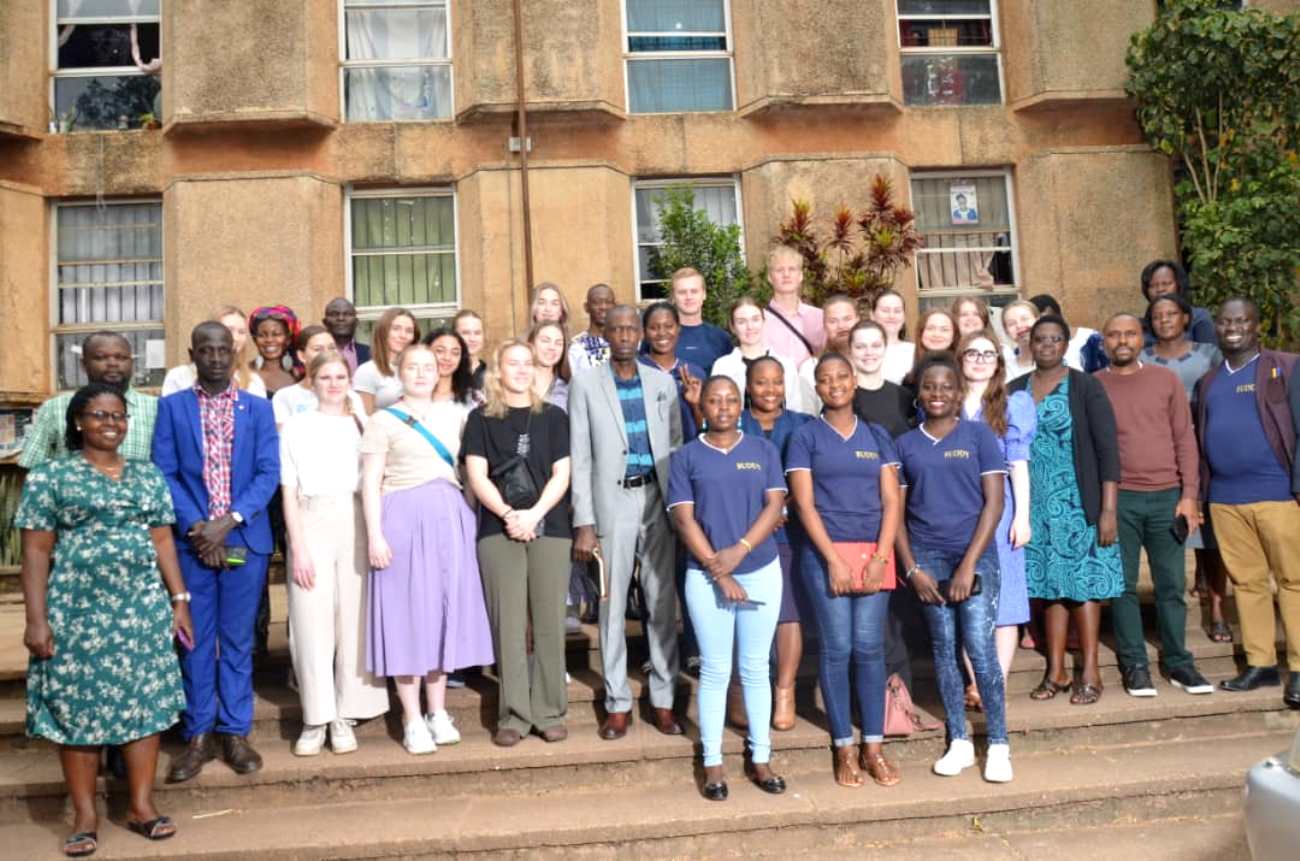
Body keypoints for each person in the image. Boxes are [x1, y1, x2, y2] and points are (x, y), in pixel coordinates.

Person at [17, 383, 192, 856]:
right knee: (77, 710)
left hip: (140, 609)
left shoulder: (146, 474)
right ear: (78, 421)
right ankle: (86, 814)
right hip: (76, 611)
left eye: (117, 416)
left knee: (144, 705)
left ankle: (140, 806)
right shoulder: (50, 476)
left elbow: (161, 541)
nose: (110, 424)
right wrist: (36, 620)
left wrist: (179, 599)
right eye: (98, 415)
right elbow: (34, 552)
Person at [152, 322, 280, 782]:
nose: (215, 357)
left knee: (238, 639)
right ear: (193, 354)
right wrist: (198, 529)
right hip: (193, 544)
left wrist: (229, 522)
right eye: (205, 349)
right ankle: (199, 734)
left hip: (245, 539)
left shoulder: (258, 409)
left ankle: (234, 731)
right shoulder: (171, 409)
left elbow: (268, 473)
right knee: (196, 640)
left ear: (234, 353)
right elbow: (164, 473)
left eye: (222, 349)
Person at [361, 339, 494, 754]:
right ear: (399, 373)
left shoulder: (456, 416)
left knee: (441, 615)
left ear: (440, 372)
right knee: (406, 617)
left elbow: (469, 471)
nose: (421, 373)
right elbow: (369, 482)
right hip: (401, 517)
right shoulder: (383, 420)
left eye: (428, 366)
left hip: (448, 517)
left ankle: (437, 710)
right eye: (412, 366)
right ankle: (412, 717)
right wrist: (374, 535)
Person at [669, 375, 788, 801]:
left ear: (741, 405)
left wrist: (739, 552)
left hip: (760, 567)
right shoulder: (685, 457)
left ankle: (761, 756)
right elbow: (684, 520)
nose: (722, 407)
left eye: (730, 400)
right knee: (717, 670)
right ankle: (713, 761)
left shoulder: (763, 450)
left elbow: (775, 505)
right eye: (714, 400)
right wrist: (720, 573)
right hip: (705, 575)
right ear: (701, 406)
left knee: (756, 668)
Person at [894, 354, 1011, 783]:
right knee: (943, 649)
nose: (937, 394)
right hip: (927, 557)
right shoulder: (905, 444)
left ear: (959, 393)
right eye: (929, 387)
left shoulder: (979, 436)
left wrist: (967, 567)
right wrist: (911, 570)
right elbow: (897, 514)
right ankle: (959, 740)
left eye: (946, 387)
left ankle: (998, 743)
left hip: (974, 557)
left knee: (979, 648)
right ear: (919, 393)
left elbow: (994, 503)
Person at [787, 353, 902, 788]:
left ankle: (873, 746)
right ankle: (844, 747)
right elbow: (804, 503)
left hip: (874, 552)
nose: (834, 384)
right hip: (826, 555)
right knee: (837, 648)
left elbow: (893, 501)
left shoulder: (876, 434)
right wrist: (833, 559)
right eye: (825, 379)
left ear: (854, 382)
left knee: (870, 648)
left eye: (841, 377)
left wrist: (880, 557)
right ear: (816, 387)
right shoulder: (805, 437)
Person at [569, 305, 684, 740]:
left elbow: (674, 443)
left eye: (630, 328)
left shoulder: (661, 383)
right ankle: (617, 702)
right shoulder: (585, 385)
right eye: (615, 329)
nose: (623, 335)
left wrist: (678, 508)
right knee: (611, 603)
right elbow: (580, 455)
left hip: (656, 498)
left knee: (660, 602)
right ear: (607, 334)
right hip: (611, 500)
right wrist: (584, 520)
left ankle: (664, 699)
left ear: (640, 334)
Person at [1095, 314, 1212, 698]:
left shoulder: (1165, 381)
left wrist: (1189, 494)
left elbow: (1185, 438)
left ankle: (1179, 661)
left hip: (1167, 496)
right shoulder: (1094, 387)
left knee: (1171, 585)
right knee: (1123, 586)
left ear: (1140, 339)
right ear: (1104, 342)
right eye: (1114, 335)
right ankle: (1135, 665)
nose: (1122, 340)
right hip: (1119, 499)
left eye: (1130, 333)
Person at [464, 340, 574, 746]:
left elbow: (562, 474)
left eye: (527, 363)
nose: (522, 369)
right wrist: (510, 515)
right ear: (499, 370)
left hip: (551, 526)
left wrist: (534, 514)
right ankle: (513, 715)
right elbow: (477, 475)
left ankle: (548, 710)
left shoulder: (555, 418)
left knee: (548, 623)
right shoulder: (480, 420)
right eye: (513, 363)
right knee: (508, 624)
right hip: (498, 529)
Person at [280, 354, 389, 756]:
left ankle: (345, 712)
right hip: (312, 519)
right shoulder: (296, 426)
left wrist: (362, 415)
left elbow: (378, 475)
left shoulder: (364, 424)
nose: (333, 383)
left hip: (356, 518)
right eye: (324, 376)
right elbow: (288, 491)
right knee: (310, 620)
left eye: (340, 376)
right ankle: (316, 715)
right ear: (312, 381)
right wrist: (298, 546)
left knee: (353, 620)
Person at [1010, 315, 1122, 706]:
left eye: (1055, 339)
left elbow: (1108, 449)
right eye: (1040, 339)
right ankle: (1055, 669)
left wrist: (1108, 510)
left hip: (1079, 503)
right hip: (1033, 506)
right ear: (1030, 344)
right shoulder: (1014, 388)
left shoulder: (1085, 386)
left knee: (1084, 586)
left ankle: (1090, 670)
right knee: (1048, 589)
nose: (1047, 345)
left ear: (1064, 344)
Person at [1193, 298, 1300, 708]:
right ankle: (1261, 664)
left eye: (1241, 320)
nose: (1232, 327)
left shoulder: (1286, 368)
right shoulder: (1210, 380)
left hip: (1279, 496)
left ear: (1257, 325)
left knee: (1293, 582)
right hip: (1226, 499)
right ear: (1215, 327)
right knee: (1248, 584)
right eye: (1225, 321)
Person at [1140, 294, 1227, 642]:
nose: (1165, 320)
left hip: (1204, 451)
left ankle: (1217, 607)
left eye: (1171, 314)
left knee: (1209, 538)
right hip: (1161, 455)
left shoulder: (1209, 355)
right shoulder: (1143, 359)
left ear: (1186, 318)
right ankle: (1169, 613)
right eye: (1157, 316)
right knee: (1168, 534)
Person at [739, 356, 813, 734]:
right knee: (749, 613)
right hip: (742, 531)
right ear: (747, 386)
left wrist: (785, 504)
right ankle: (751, 688)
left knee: (787, 613)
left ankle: (785, 690)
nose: (770, 390)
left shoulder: (802, 424)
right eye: (761, 383)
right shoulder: (735, 422)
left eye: (776, 382)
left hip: (790, 531)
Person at [958, 331, 1035, 691]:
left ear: (998, 363)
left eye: (988, 354)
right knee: (968, 596)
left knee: (1004, 600)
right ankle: (976, 682)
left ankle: (997, 682)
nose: (979, 359)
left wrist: (1023, 516)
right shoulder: (947, 400)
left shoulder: (1012, 404)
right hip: (957, 509)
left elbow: (1018, 464)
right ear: (960, 359)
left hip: (1001, 509)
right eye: (972, 353)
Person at [20, 332, 158, 468]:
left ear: (131, 363)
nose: (112, 364)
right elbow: (32, 464)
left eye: (121, 357)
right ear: (83, 364)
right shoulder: (55, 407)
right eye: (100, 358)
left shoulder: (154, 408)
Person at [713, 297, 803, 413]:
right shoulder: (723, 367)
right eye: (741, 322)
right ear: (733, 327)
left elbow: (796, 409)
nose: (750, 327)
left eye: (755, 319)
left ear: (764, 322)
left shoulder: (786, 364)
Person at [162, 305, 267, 398]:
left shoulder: (254, 382)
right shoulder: (179, 376)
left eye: (242, 332)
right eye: (229, 330)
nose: (235, 338)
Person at [271, 325, 364, 429]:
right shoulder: (285, 396)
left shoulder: (351, 396)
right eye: (318, 349)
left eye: (332, 348)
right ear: (301, 355)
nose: (326, 353)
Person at [639, 301, 705, 442]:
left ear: (678, 328)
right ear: (644, 332)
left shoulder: (695, 373)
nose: (662, 333)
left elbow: (705, 429)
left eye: (669, 326)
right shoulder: (635, 371)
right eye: (654, 328)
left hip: (687, 456)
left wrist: (695, 404)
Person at [849, 321, 914, 439]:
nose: (869, 352)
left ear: (885, 348)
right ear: (850, 350)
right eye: (860, 347)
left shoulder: (903, 395)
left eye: (876, 346)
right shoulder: (842, 399)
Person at [763, 245, 824, 367]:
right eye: (779, 270)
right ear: (770, 277)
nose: (786, 274)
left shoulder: (819, 316)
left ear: (800, 276)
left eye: (792, 269)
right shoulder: (759, 319)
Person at [798, 294, 860, 411]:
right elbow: (807, 416)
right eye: (833, 321)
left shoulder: (874, 361)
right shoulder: (810, 368)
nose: (841, 326)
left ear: (858, 319)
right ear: (824, 326)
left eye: (847, 319)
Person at [663, 268, 733, 373]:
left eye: (694, 291)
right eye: (682, 292)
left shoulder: (721, 338)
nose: (689, 297)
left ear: (704, 294)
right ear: (673, 297)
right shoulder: (660, 338)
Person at [354, 307, 420, 415]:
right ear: (383, 331)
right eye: (396, 328)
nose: (403, 335)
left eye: (409, 331)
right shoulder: (367, 371)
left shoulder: (417, 370)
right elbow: (365, 421)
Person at [1139, 259, 1215, 345]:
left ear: (1179, 285)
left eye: (1166, 284)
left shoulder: (1198, 317)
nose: (1160, 289)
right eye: (1152, 286)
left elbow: (1209, 353)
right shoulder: (1139, 325)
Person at [1029, 294, 1107, 373]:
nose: (1044, 325)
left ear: (1058, 315)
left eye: (1046, 319)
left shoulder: (1091, 339)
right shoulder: (1030, 348)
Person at [249, 305, 301, 396]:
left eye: (276, 334)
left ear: (288, 340)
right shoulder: (244, 373)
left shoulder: (299, 374)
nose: (269, 340)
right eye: (262, 335)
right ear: (254, 340)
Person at [903, 308, 959, 386]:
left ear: (954, 336)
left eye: (944, 330)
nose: (936, 334)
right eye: (930, 328)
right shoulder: (908, 369)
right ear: (921, 333)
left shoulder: (964, 371)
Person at [569, 283, 615, 372]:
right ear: (586, 307)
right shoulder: (576, 345)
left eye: (608, 302)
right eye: (597, 302)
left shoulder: (624, 341)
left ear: (615, 306)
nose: (603, 307)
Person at [873, 289, 914, 385]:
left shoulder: (915, 351)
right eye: (885, 310)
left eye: (897, 311)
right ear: (873, 315)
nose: (891, 316)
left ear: (904, 317)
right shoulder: (861, 351)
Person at [528, 321, 571, 410]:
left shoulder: (568, 389)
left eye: (558, 343)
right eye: (545, 341)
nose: (552, 347)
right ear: (531, 343)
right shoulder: (517, 383)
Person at [322, 297, 370, 372]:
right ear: (325, 322)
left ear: (356, 322)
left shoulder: (372, 353)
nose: (341, 318)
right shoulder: (317, 353)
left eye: (347, 314)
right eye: (334, 314)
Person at [999, 299, 1038, 381]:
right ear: (1007, 332)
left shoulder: (1065, 359)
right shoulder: (1004, 372)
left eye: (1025, 319)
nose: (1019, 325)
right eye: (1011, 323)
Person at [453, 309, 488, 393]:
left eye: (477, 333)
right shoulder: (445, 374)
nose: (472, 339)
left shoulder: (493, 375)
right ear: (454, 335)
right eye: (465, 333)